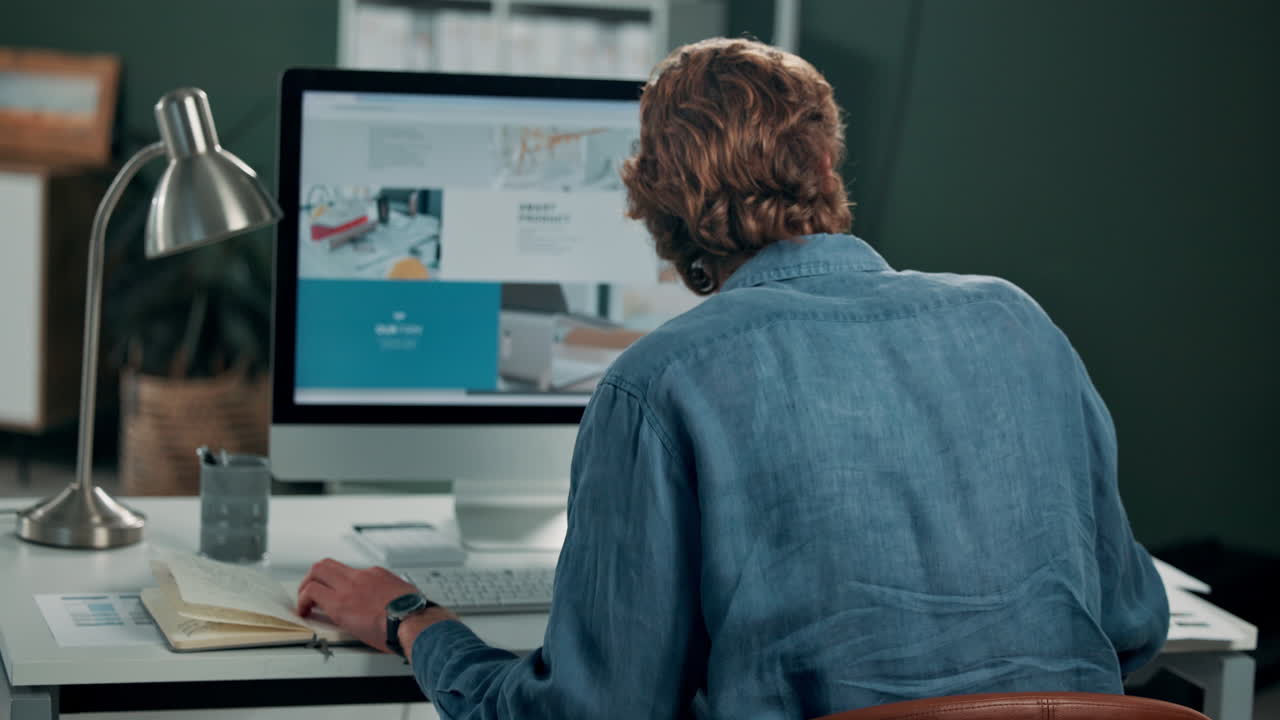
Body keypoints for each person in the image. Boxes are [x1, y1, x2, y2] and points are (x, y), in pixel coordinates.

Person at [296, 37, 1169, 719]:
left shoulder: (657, 384)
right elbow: (1130, 628)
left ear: (656, 211)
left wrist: (414, 618)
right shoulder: (1017, 319)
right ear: (826, 166)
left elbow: (596, 714)